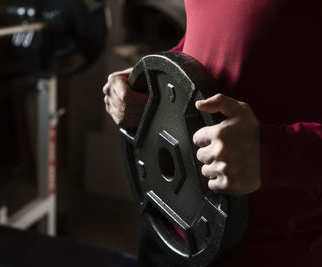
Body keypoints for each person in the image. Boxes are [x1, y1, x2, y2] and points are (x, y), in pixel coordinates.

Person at [103, 0, 322, 266]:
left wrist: (273, 153)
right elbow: (216, 32)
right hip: (175, 219)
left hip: (272, 247)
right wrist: (154, 83)